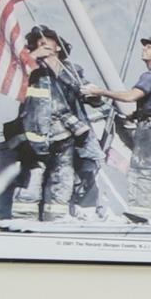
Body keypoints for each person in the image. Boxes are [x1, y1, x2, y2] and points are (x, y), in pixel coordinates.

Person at [86, 31, 151, 225]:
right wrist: (135, 115)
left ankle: (140, 213)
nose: (145, 48)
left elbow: (130, 96)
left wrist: (99, 91)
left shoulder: (150, 76)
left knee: (143, 170)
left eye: (150, 47)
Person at [11, 26, 98, 223]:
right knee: (32, 175)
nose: (42, 42)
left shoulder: (72, 70)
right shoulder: (29, 69)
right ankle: (23, 219)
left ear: (58, 46)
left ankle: (56, 217)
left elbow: (92, 98)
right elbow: (13, 77)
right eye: (37, 41)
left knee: (63, 176)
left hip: (66, 133)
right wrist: (32, 57)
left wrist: (93, 94)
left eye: (47, 40)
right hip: (34, 133)